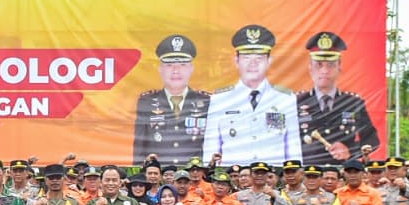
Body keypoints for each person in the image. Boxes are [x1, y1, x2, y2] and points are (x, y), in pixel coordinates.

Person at [202, 25, 300, 164]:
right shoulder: (220, 99)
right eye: (246, 57)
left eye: (259, 58)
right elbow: (211, 148)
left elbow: (293, 148)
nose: (253, 64)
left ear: (269, 61)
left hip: (273, 178)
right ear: (236, 61)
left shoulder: (285, 99)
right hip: (233, 178)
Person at [296, 32, 380, 164]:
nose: (324, 70)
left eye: (330, 65)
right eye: (319, 65)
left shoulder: (353, 103)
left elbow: (372, 140)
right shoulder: (296, 102)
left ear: (339, 68)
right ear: (310, 68)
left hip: (342, 172)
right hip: (307, 173)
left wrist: (351, 151)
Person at [133, 35, 211, 164]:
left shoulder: (206, 102)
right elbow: (140, 148)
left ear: (191, 69)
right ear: (160, 69)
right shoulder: (147, 102)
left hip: (194, 174)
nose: (176, 71)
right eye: (169, 65)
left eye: (182, 64)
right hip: (159, 176)